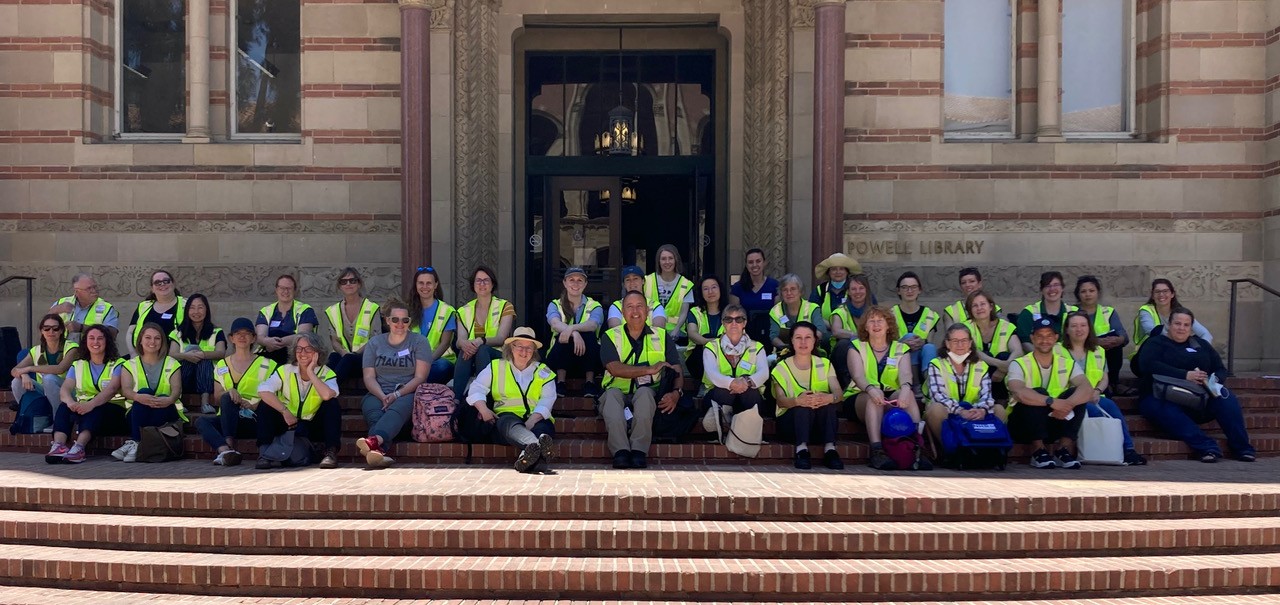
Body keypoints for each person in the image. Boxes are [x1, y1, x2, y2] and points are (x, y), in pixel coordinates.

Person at [1137, 307, 1253, 463]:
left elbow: (1220, 369)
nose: (1181, 328)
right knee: (1162, 409)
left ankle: (1242, 448)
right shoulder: (1155, 343)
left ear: (1191, 327)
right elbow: (1146, 365)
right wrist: (1185, 375)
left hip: (1199, 398)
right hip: (1162, 397)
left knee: (1227, 399)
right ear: (1169, 324)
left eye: (1186, 325)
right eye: (1177, 323)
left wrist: (1213, 381)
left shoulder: (1201, 345)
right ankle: (1207, 448)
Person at [599, 292, 683, 469]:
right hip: (616, 390)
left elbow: (676, 368)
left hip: (649, 390)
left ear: (647, 311)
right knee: (612, 395)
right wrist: (649, 369)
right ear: (622, 312)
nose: (635, 311)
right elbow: (614, 368)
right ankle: (621, 451)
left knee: (644, 393)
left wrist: (676, 393)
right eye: (629, 307)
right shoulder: (610, 336)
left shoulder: (662, 335)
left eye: (639, 306)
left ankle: (638, 451)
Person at [466, 327, 558, 473]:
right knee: (508, 424)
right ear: (511, 347)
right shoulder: (496, 366)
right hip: (506, 418)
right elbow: (476, 388)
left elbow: (548, 399)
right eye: (520, 346)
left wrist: (532, 421)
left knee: (544, 429)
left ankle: (530, 454)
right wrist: (484, 410)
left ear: (534, 351)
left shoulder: (543, 371)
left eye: (529, 348)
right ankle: (535, 445)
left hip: (535, 417)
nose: (524, 351)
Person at [1006, 317, 1093, 469]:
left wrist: (1067, 405)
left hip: (1054, 420)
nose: (1044, 340)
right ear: (1032, 338)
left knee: (1076, 394)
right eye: (1039, 336)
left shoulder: (1066, 362)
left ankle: (1063, 450)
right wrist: (1052, 402)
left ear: (1056, 338)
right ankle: (1038, 451)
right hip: (1023, 425)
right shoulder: (1018, 363)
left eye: (1049, 336)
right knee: (1035, 393)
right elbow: (1018, 391)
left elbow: (1087, 388)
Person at [1061, 311, 1146, 466]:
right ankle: (1105, 449)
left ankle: (1128, 449)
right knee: (1094, 411)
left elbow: (1104, 377)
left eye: (1083, 325)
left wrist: (1098, 391)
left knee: (1111, 407)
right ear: (1067, 330)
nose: (1079, 329)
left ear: (1089, 328)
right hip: (1070, 397)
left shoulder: (1098, 350)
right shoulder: (1058, 351)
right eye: (1074, 326)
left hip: (1094, 395)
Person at [847, 306, 926, 471]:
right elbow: (858, 376)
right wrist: (871, 390)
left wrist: (905, 388)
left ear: (888, 325)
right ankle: (876, 450)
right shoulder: (856, 346)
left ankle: (917, 448)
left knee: (909, 393)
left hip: (889, 397)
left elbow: (905, 375)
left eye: (880, 320)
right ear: (866, 327)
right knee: (875, 397)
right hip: (861, 395)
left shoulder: (900, 348)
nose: (876, 324)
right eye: (872, 321)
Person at [355, 300, 431, 469]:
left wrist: (396, 395)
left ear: (410, 322)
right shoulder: (375, 343)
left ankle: (374, 441)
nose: (400, 324)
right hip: (377, 392)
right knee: (374, 414)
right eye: (395, 319)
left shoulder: (419, 342)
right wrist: (382, 396)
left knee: (397, 407)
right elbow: (368, 377)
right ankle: (379, 451)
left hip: (408, 392)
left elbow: (420, 377)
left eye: (405, 320)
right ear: (387, 321)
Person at [195, 318, 278, 467]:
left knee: (229, 398)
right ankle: (226, 450)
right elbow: (217, 398)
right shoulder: (222, 364)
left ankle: (228, 446)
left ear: (253, 338)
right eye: (237, 333)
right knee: (202, 421)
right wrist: (230, 392)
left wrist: (253, 405)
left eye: (247, 333)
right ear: (231, 338)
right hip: (229, 418)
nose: (242, 337)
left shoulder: (268, 364)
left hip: (253, 419)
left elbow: (275, 395)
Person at [256, 332, 342, 469]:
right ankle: (264, 452)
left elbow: (327, 395)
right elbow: (263, 390)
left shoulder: (327, 373)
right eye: (299, 348)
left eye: (308, 349)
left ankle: (330, 453)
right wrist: (284, 411)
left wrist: (311, 372)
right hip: (289, 422)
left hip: (313, 425)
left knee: (332, 404)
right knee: (265, 405)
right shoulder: (285, 370)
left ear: (317, 352)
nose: (303, 353)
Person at [45, 325, 127, 464]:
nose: (95, 342)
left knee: (97, 408)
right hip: (87, 413)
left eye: (100, 338)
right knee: (64, 407)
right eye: (91, 338)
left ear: (107, 342)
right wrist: (71, 403)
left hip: (114, 414)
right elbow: (65, 389)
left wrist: (90, 405)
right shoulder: (78, 364)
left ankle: (79, 447)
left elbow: (112, 389)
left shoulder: (119, 364)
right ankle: (58, 446)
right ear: (85, 342)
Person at [771, 321, 843, 469]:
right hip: (791, 426)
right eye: (798, 337)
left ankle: (830, 450)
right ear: (791, 340)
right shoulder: (781, 367)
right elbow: (781, 401)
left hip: (818, 425)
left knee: (828, 405)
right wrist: (799, 401)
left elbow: (838, 393)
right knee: (802, 406)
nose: (803, 342)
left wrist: (827, 398)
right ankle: (801, 450)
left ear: (815, 340)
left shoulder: (825, 363)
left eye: (808, 337)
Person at [923, 323, 1003, 444]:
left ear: (970, 343)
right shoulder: (936, 364)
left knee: (999, 410)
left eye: (964, 340)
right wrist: (960, 411)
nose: (960, 345)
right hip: (949, 413)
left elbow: (987, 395)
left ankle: (986, 448)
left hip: (974, 413)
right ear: (947, 344)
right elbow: (938, 396)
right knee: (936, 409)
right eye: (955, 341)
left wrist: (982, 410)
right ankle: (949, 450)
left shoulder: (981, 365)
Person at [117, 322, 185, 463]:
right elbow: (126, 390)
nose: (152, 342)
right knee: (143, 392)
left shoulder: (172, 363)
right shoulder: (129, 364)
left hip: (166, 411)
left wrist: (169, 399)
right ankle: (136, 443)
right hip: (137, 413)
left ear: (162, 342)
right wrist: (138, 397)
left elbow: (176, 390)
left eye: (157, 338)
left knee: (161, 396)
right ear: (140, 340)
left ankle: (135, 442)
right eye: (148, 337)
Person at [702, 304, 768, 436]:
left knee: (751, 391)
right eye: (728, 319)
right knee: (723, 390)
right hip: (719, 397)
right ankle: (721, 431)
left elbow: (764, 373)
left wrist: (746, 382)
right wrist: (732, 383)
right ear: (723, 323)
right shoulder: (711, 347)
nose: (733, 323)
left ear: (745, 323)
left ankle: (749, 434)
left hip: (747, 398)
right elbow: (712, 374)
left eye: (738, 319)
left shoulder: (757, 346)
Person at [453, 266, 516, 401]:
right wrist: (465, 344)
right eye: (478, 281)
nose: (482, 284)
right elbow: (460, 340)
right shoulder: (464, 310)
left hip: (499, 354)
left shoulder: (505, 306)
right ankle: (456, 400)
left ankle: (485, 397)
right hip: (472, 355)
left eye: (486, 280)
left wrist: (481, 341)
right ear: (473, 285)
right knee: (466, 350)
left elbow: (501, 338)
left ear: (492, 284)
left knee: (481, 349)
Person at [545, 267, 603, 398]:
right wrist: (573, 333)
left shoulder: (594, 305)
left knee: (588, 334)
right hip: (559, 359)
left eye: (579, 280)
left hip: (587, 358)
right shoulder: (555, 304)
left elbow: (593, 324)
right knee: (563, 335)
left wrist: (572, 328)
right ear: (565, 283)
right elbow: (554, 323)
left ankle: (590, 382)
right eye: (571, 280)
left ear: (585, 284)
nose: (575, 284)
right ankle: (560, 382)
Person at [10, 313, 80, 416]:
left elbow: (60, 369)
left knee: (49, 379)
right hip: (45, 390)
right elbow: (14, 370)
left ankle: (58, 419)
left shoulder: (72, 347)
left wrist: (28, 368)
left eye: (55, 328)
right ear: (42, 331)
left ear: (61, 331)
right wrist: (23, 374)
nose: (51, 332)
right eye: (46, 328)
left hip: (70, 392)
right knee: (17, 381)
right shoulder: (36, 350)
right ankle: (29, 417)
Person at [1073, 276, 1133, 395]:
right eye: (1083, 291)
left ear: (1098, 293)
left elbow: (1124, 335)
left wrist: (1117, 340)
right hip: (1079, 350)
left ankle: (1113, 383)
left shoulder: (1108, 311)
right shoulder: (1071, 312)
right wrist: (1096, 342)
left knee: (1115, 345)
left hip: (1105, 351)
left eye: (1091, 291)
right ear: (1078, 295)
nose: (1088, 294)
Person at [167, 294, 226, 414]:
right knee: (187, 357)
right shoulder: (177, 332)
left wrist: (203, 354)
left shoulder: (217, 332)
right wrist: (187, 356)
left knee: (203, 359)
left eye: (200, 307)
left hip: (207, 380)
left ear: (206, 310)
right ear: (187, 310)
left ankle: (205, 403)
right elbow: (172, 354)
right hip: (185, 379)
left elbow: (221, 353)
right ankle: (179, 402)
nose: (196, 311)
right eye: (192, 308)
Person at [324, 267, 382, 383]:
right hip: (343, 356)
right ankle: (325, 390)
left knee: (349, 359)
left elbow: (375, 340)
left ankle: (329, 390)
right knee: (333, 358)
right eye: (344, 281)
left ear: (359, 284)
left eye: (352, 280)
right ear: (339, 286)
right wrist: (343, 353)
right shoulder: (333, 310)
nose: (348, 284)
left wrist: (354, 354)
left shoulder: (372, 308)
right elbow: (334, 340)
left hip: (365, 359)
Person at [964, 290, 1023, 402]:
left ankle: (1001, 403)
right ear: (970, 310)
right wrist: (1000, 365)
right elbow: (972, 351)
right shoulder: (965, 327)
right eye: (974, 305)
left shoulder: (1006, 326)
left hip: (1002, 377)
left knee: (1005, 356)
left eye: (982, 304)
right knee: (982, 358)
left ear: (991, 306)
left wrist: (1004, 369)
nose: (979, 308)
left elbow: (1018, 351)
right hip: (976, 375)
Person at [406, 266, 457, 385]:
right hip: (413, 361)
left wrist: (426, 362)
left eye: (429, 283)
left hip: (439, 360)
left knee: (440, 368)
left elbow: (445, 343)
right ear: (416, 285)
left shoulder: (447, 310)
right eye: (421, 283)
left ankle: (410, 386)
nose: (425, 287)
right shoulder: (407, 310)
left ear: (435, 285)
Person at [1133, 279, 1213, 352]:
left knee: (1196, 340)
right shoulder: (1146, 310)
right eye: (1157, 292)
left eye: (1165, 291)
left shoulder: (1180, 312)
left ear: (1172, 294)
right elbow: (1152, 331)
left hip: (1175, 351)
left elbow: (1205, 334)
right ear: (1153, 295)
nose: (1161, 294)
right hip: (1148, 352)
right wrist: (1179, 341)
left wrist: (1203, 351)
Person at [256, 274, 318, 366]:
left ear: (295, 291)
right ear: (276, 290)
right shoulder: (265, 311)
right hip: (268, 353)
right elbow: (260, 336)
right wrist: (267, 342)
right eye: (282, 288)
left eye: (289, 288)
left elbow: (303, 335)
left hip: (295, 354)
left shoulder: (305, 310)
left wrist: (277, 343)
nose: (285, 291)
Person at [889, 271, 940, 383]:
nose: (909, 291)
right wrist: (903, 344)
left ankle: (930, 385)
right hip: (897, 360)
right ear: (898, 291)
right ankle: (914, 384)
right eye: (905, 287)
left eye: (913, 287)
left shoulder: (930, 315)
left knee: (929, 347)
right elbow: (886, 343)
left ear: (919, 290)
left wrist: (923, 342)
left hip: (922, 359)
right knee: (910, 337)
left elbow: (929, 341)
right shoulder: (890, 314)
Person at [126, 269, 186, 357]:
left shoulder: (187, 305)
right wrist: (133, 353)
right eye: (157, 282)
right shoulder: (143, 306)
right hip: (143, 357)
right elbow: (130, 333)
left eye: (166, 281)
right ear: (152, 289)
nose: (162, 284)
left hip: (177, 359)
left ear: (173, 284)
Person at [729, 248, 779, 348]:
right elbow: (734, 316)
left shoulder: (774, 286)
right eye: (751, 262)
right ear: (747, 265)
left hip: (770, 336)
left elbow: (778, 313)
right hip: (745, 338)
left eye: (758, 261)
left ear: (764, 263)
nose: (755, 265)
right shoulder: (737, 288)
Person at [49, 273, 118, 343]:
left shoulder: (106, 307)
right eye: (89, 288)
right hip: (63, 351)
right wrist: (54, 310)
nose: (94, 291)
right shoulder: (61, 302)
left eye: (95, 287)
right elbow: (43, 327)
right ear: (76, 291)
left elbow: (112, 334)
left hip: (92, 352)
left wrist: (82, 328)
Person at [643, 244, 695, 338]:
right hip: (649, 330)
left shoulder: (686, 284)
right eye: (663, 259)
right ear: (658, 261)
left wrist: (676, 330)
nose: (667, 262)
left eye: (670, 258)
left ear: (676, 260)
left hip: (675, 332)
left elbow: (684, 313)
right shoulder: (647, 281)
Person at [1015, 271, 1078, 347]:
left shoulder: (1075, 312)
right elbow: (1025, 342)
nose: (1052, 289)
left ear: (1062, 288)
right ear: (1041, 290)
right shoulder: (1028, 313)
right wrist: (1043, 356)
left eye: (1056, 285)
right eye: (1047, 286)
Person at [686, 275, 727, 389]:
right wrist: (710, 343)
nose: (710, 292)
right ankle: (704, 385)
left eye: (714, 287)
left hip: (726, 354)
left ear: (720, 289)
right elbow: (692, 333)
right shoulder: (695, 312)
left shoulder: (730, 311)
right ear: (701, 293)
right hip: (698, 358)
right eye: (705, 289)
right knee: (706, 346)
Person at [769, 274, 826, 354]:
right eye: (785, 290)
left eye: (793, 289)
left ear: (800, 291)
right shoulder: (775, 311)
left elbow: (820, 331)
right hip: (784, 351)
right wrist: (787, 348)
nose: (789, 293)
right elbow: (773, 336)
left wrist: (804, 344)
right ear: (781, 293)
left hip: (810, 351)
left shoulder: (812, 308)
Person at [809, 252, 862, 326]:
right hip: (826, 334)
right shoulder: (820, 290)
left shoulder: (857, 289)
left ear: (847, 272)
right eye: (834, 269)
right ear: (828, 272)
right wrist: (832, 327)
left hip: (852, 335)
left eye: (841, 269)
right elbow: (812, 313)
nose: (838, 272)